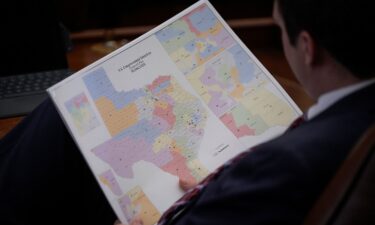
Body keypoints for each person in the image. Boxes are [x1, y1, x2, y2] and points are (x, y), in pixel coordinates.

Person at [0, 0, 374, 224]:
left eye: (279, 27)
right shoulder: (355, 122)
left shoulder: (287, 162)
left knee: (60, 122)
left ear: (307, 47)